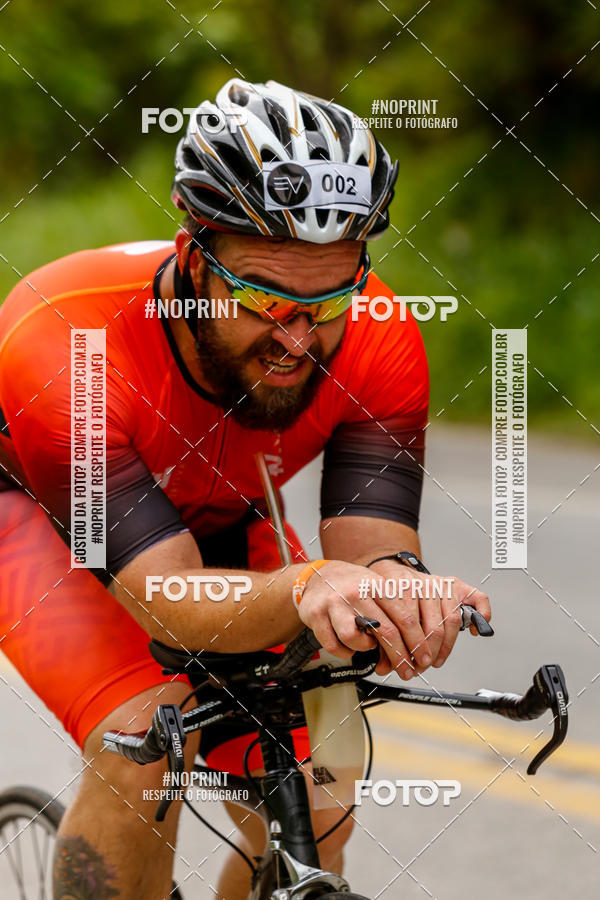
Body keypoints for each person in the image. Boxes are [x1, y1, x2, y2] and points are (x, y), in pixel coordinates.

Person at [0, 78, 490, 899]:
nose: (297, 337)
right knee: (145, 736)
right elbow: (165, 595)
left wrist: (406, 596)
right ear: (195, 260)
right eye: (265, 297)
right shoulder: (66, 334)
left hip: (222, 508)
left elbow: (373, 550)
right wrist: (307, 587)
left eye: (330, 297)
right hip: (43, 518)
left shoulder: (382, 334)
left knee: (324, 778)